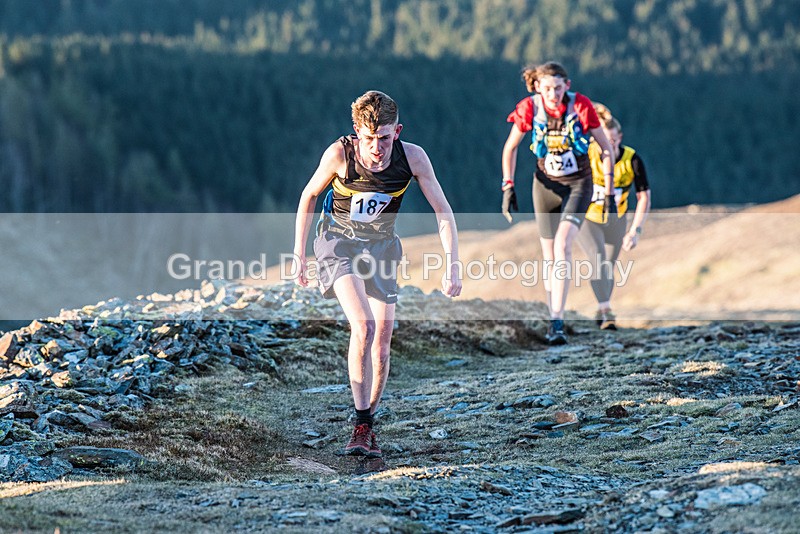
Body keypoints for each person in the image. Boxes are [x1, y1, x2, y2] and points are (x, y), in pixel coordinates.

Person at [292, 90, 462, 458]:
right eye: (369, 139)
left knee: (383, 343)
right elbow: (308, 197)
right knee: (364, 326)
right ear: (356, 132)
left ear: (397, 131)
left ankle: (369, 420)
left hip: (382, 247)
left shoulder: (413, 158)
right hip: (337, 242)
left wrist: (452, 262)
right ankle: (360, 423)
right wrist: (298, 252)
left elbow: (443, 212)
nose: (377, 148)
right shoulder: (339, 155)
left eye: (384, 138)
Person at [500, 61, 615, 345]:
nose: (553, 94)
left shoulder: (581, 106)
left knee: (563, 245)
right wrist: (508, 185)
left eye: (558, 88)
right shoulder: (529, 108)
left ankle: (557, 323)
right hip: (545, 185)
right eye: (547, 88)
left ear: (567, 86)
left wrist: (609, 190)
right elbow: (510, 147)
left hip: (579, 183)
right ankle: (554, 315)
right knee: (550, 256)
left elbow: (606, 148)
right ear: (538, 87)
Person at [578, 103, 651, 330]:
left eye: (614, 140)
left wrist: (635, 230)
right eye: (604, 140)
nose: (609, 145)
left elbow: (644, 197)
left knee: (608, 266)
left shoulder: (632, 160)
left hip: (616, 219)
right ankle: (607, 310)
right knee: (597, 259)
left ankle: (601, 309)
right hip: (589, 217)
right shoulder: (588, 153)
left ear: (620, 137)